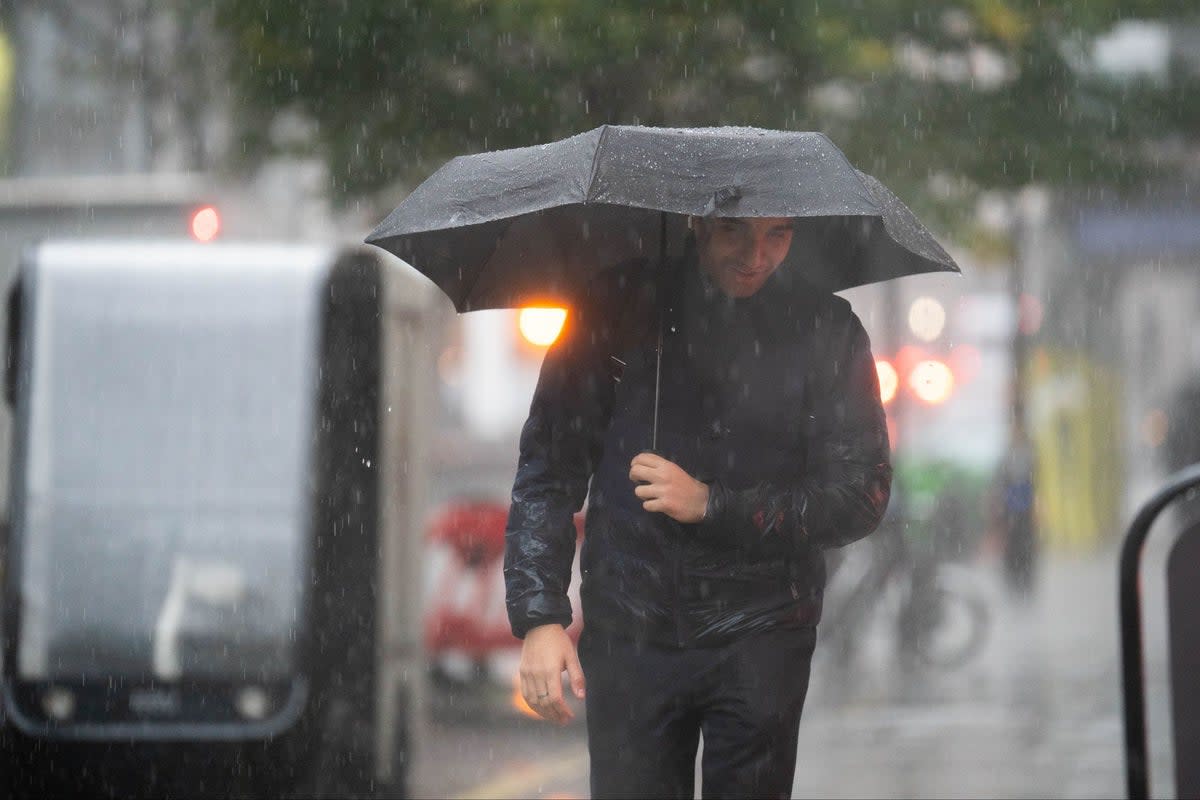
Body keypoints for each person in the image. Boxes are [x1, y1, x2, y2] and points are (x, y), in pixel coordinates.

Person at [504, 214, 892, 799]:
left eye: (778, 234)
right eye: (735, 231)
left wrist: (715, 505)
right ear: (695, 221)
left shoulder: (826, 328)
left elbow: (861, 494)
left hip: (762, 633)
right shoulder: (615, 306)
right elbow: (548, 468)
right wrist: (540, 616)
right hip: (629, 633)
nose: (756, 255)